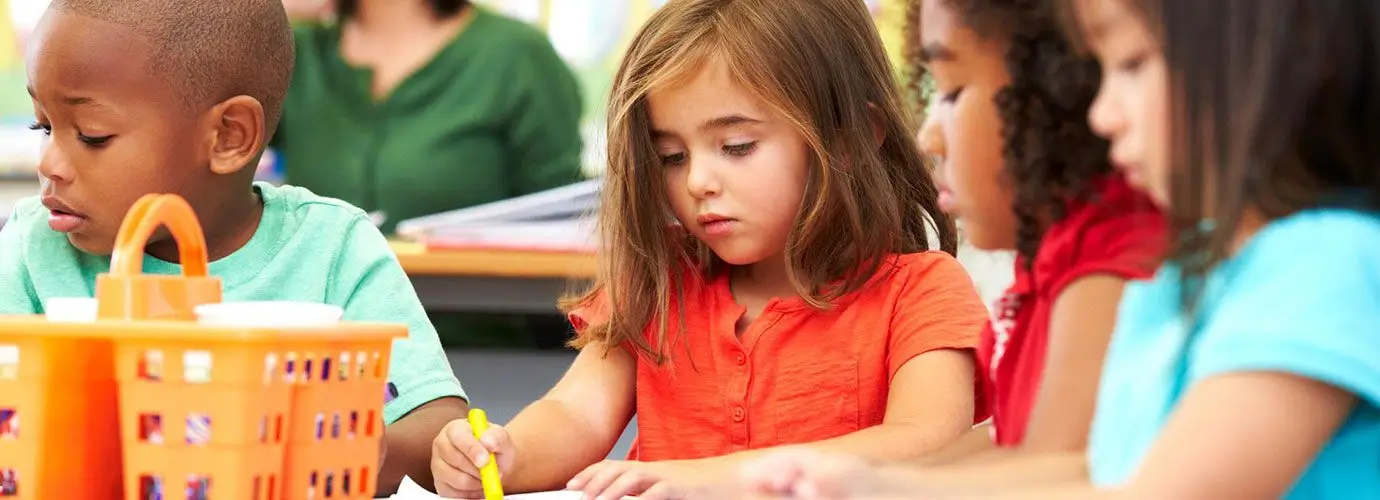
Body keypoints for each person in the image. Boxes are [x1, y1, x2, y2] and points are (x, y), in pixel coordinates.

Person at [429, 0, 992, 498]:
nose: (697, 181)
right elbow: (574, 414)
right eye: (672, 156)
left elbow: (926, 441)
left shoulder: (921, 290)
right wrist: (504, 454)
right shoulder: (658, 284)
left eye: (737, 147)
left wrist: (720, 478)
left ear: (848, 138)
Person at [0, 0, 466, 495]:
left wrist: (351, 453)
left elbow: (435, 422)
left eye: (92, 136)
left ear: (229, 136)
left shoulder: (333, 250)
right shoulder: (33, 247)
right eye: (43, 127)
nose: (50, 163)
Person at [733, 0, 1167, 496]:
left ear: (1056, 93)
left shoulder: (1108, 257)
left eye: (954, 92)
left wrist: (880, 486)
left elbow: (1052, 465)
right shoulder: (1054, 257)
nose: (927, 137)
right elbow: (1010, 438)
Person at [276, 0, 585, 349]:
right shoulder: (293, 51)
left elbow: (569, 228)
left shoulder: (517, 56)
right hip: (309, 354)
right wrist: (256, 16)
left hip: (480, 358)